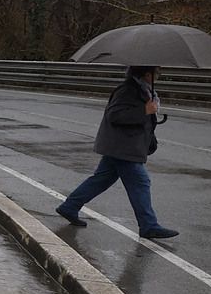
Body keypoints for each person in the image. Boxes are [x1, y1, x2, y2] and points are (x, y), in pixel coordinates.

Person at [56, 64, 179, 240]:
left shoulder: (142, 90)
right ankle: (148, 226)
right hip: (123, 147)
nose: (159, 75)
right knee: (141, 182)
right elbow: (115, 115)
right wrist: (144, 110)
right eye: (157, 72)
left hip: (121, 146)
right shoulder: (127, 90)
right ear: (147, 74)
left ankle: (70, 206)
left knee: (101, 180)